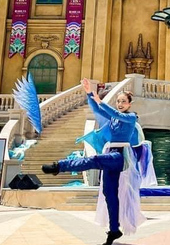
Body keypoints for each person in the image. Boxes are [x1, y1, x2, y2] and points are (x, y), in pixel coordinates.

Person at [42, 79, 152, 245]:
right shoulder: (114, 118)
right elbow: (97, 110)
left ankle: (60, 166)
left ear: (129, 104)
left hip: (120, 156)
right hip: (111, 153)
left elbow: (116, 114)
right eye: (118, 101)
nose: (120, 103)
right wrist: (88, 93)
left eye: (123, 101)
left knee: (94, 160)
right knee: (109, 194)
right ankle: (114, 230)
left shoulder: (130, 117)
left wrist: (101, 101)